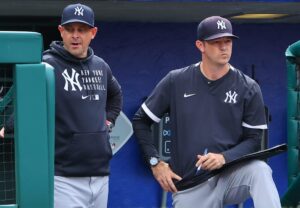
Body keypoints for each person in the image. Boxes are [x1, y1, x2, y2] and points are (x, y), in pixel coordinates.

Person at [132, 16, 281, 207]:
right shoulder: (176, 80)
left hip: (229, 175)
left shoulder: (248, 87)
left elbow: (253, 139)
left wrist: (224, 157)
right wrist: (156, 163)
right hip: (190, 184)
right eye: (216, 42)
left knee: (260, 170)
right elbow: (141, 120)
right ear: (200, 45)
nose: (224, 47)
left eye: (227, 41)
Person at [1, 3, 122, 208]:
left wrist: (107, 120)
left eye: (82, 30)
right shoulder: (47, 65)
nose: (75, 35)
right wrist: (9, 126)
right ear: (61, 31)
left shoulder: (101, 66)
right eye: (70, 29)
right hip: (64, 179)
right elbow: (28, 100)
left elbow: (116, 95)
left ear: (93, 33)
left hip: (100, 174)